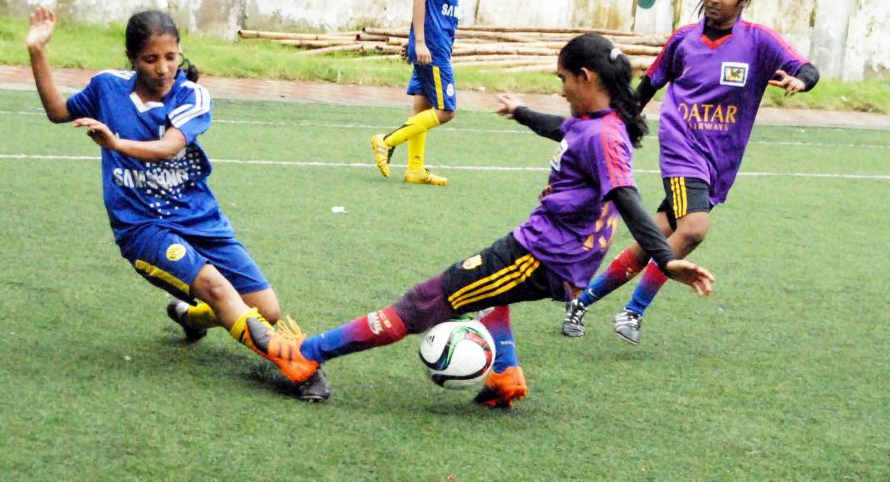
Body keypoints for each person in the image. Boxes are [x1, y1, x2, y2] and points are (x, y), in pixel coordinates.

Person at [248, 34, 716, 408]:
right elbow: (562, 128)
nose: (561, 88)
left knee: (425, 301)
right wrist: (521, 113)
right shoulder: (598, 121)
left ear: (586, 77)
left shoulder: (603, 138)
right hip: (550, 254)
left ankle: (305, 357)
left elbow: (628, 199)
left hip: (539, 256)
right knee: (492, 296)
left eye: (563, 79)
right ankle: (506, 375)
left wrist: (664, 258)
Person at [25, 6, 330, 401]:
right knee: (217, 288)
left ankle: (190, 315)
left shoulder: (193, 95)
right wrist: (37, 51)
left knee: (266, 309)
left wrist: (117, 144)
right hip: (143, 228)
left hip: (200, 218)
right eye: (151, 59)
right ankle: (296, 366)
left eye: (171, 57)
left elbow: (169, 148)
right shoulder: (106, 88)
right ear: (133, 59)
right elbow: (57, 111)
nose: (164, 68)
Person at [561, 0, 820, 345]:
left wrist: (800, 81)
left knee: (658, 237)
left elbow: (808, 68)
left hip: (719, 161)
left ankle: (581, 303)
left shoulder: (759, 42)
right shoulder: (684, 39)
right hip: (683, 147)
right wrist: (616, 124)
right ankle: (633, 312)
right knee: (694, 229)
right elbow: (647, 86)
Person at [370, 0, 466, 187]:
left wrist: (413, 40)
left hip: (436, 46)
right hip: (431, 49)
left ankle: (415, 169)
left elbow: (437, 10)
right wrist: (421, 42)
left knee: (422, 106)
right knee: (446, 111)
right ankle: (386, 142)